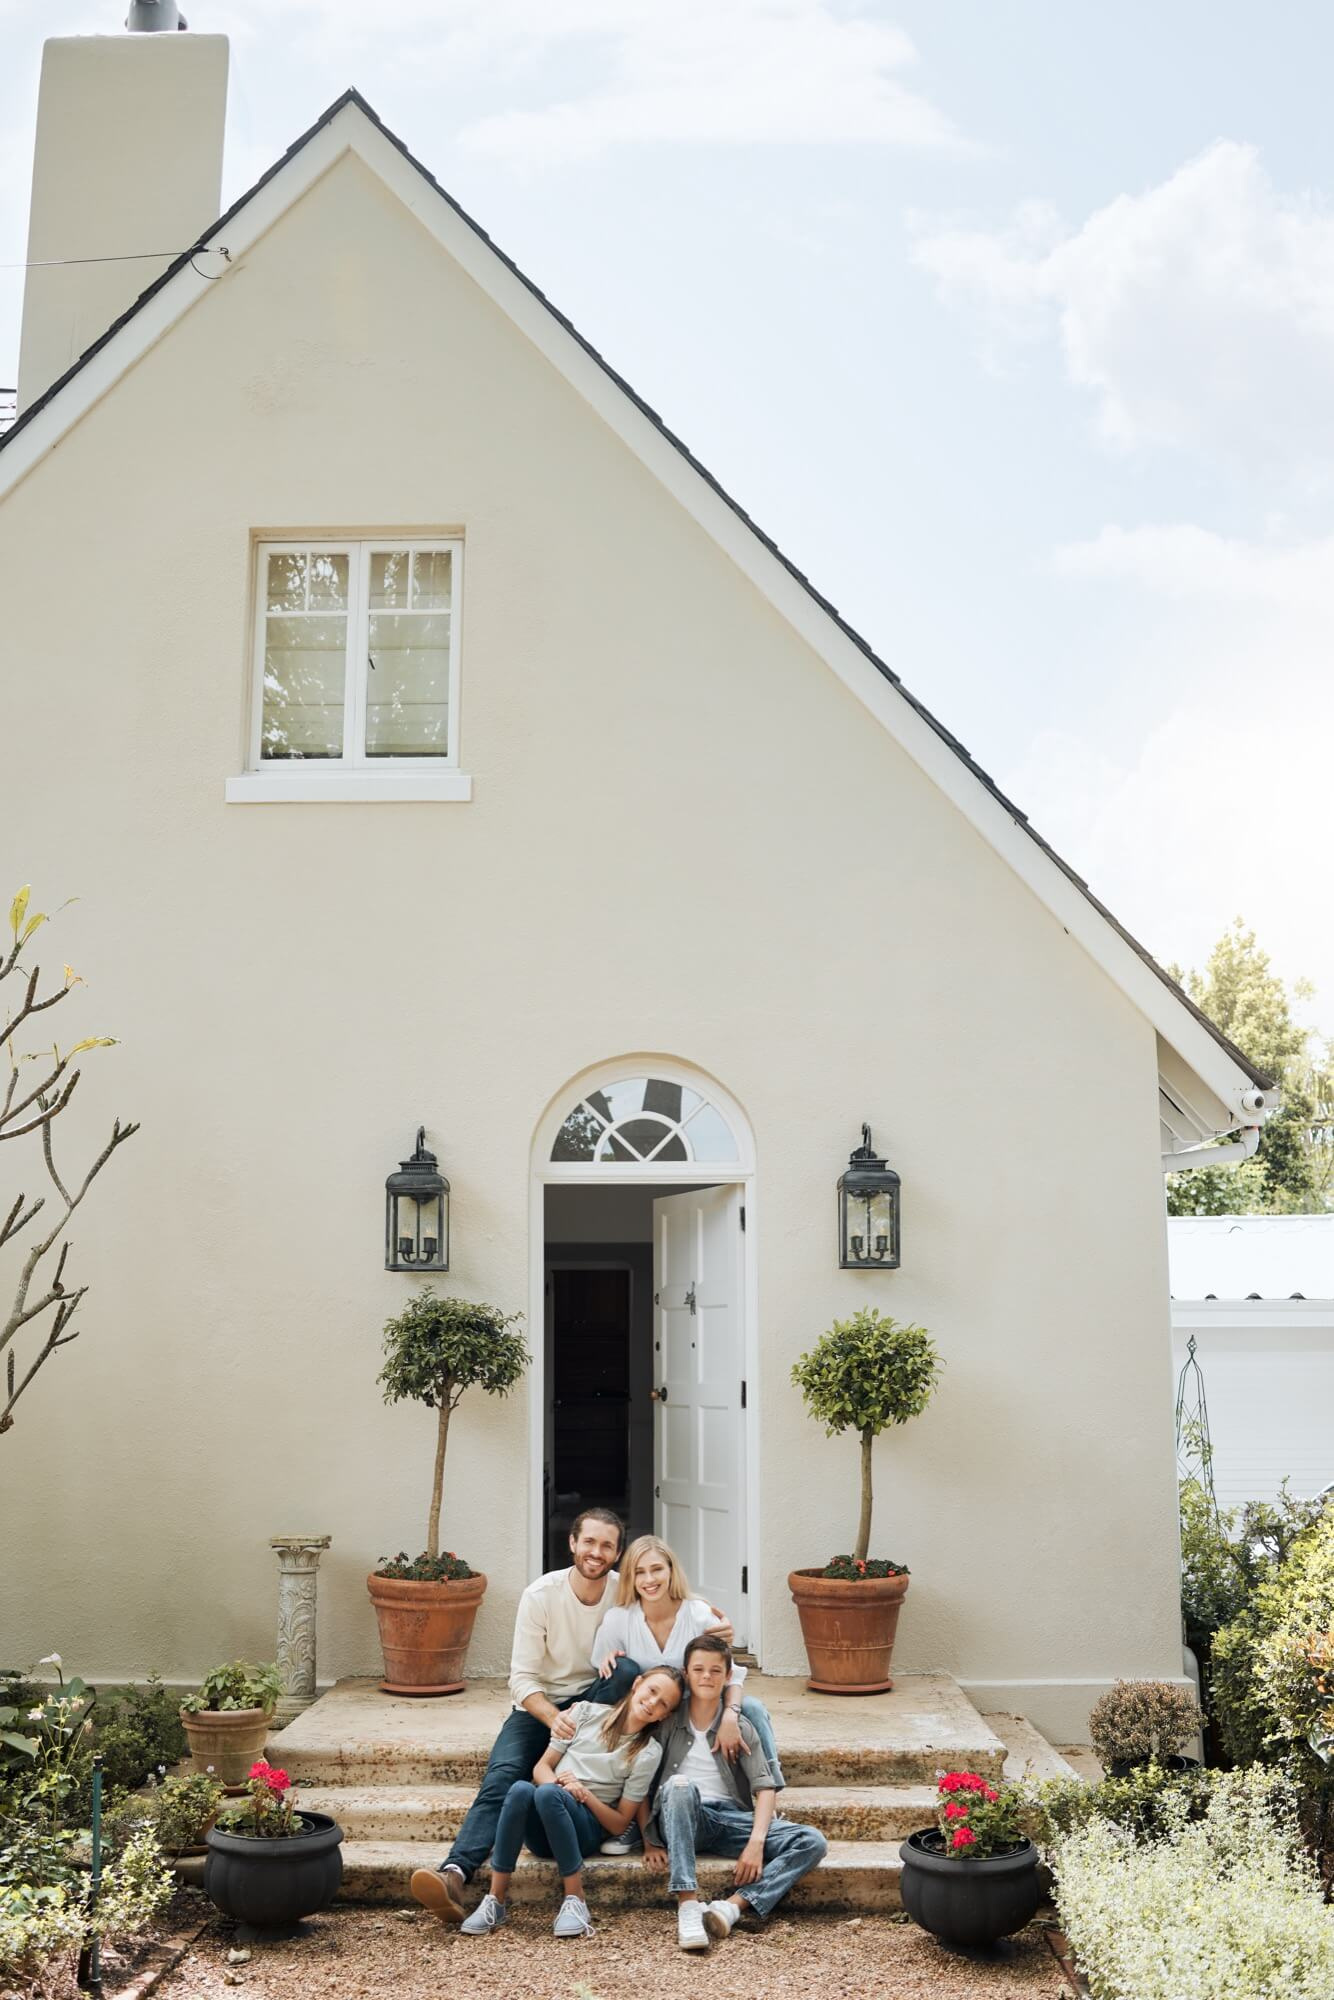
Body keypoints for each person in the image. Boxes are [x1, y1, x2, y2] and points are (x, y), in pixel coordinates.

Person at [410, 1507, 636, 1922]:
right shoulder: (541, 1595)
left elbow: (670, 1599)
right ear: (572, 1543)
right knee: (503, 1774)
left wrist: (712, 1616)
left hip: (595, 1703)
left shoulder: (626, 1591)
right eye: (589, 1541)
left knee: (628, 1672)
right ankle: (455, 1873)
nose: (596, 1552)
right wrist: (553, 1719)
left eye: (607, 1545)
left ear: (618, 1553)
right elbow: (522, 1680)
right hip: (540, 1707)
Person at [590, 1533, 783, 1857]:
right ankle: (635, 1823)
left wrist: (731, 1716)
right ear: (630, 1578)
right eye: (639, 1572)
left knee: (753, 1708)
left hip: (700, 1709)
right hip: (654, 1714)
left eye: (656, 1569)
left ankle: (767, 1801)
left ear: (671, 1570)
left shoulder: (697, 1614)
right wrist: (608, 1662)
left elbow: (731, 1673)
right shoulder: (619, 1619)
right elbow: (605, 1677)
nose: (649, 1580)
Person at [458, 1666, 683, 1940]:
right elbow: (542, 1767)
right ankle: (495, 1900)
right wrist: (560, 1788)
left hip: (583, 1832)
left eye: (663, 1704)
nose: (652, 1703)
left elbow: (619, 1823)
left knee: (547, 1794)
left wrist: (582, 1793)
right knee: (520, 1789)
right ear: (637, 1684)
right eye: (652, 1691)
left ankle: (576, 1900)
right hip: (545, 1824)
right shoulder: (584, 1713)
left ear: (665, 1715)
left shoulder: (647, 1752)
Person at [645, 1633, 826, 1952]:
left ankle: (730, 1907)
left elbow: (765, 1786)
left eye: (716, 1671)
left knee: (812, 1841)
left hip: (729, 1821)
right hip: (683, 1816)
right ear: (686, 1674)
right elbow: (641, 1780)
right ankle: (688, 1905)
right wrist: (648, 1839)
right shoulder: (668, 1722)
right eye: (698, 1669)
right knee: (679, 1786)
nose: (706, 1677)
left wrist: (756, 1843)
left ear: (728, 1676)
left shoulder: (740, 1727)